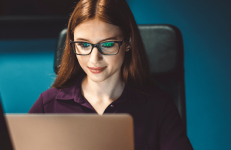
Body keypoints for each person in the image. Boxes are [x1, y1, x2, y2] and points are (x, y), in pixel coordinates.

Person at [29, 0, 193, 149]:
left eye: (107, 44)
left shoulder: (159, 106)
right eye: (83, 44)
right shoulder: (48, 104)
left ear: (128, 42)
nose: (94, 59)